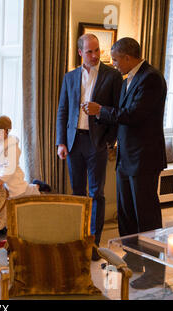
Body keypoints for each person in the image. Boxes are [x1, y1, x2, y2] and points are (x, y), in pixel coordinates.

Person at [83, 37, 167, 289]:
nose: (114, 64)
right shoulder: (129, 78)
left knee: (146, 219)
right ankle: (133, 262)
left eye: (116, 59)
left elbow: (133, 116)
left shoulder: (151, 78)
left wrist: (100, 111)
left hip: (144, 159)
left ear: (128, 58)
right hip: (127, 157)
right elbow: (122, 116)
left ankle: (154, 273)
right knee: (127, 216)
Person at [56, 34, 123, 260]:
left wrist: (109, 140)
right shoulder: (70, 77)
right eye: (90, 52)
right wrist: (61, 141)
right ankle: (78, 237)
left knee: (96, 194)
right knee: (77, 193)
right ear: (80, 53)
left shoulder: (113, 76)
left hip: (98, 142)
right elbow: (62, 111)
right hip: (74, 142)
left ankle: (94, 243)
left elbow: (117, 112)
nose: (95, 56)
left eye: (97, 51)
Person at [0, 115, 43, 198]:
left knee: (22, 192)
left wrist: (2, 178)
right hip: (0, 177)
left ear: (3, 131)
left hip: (12, 178)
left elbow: (11, 165)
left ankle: (37, 186)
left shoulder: (12, 145)